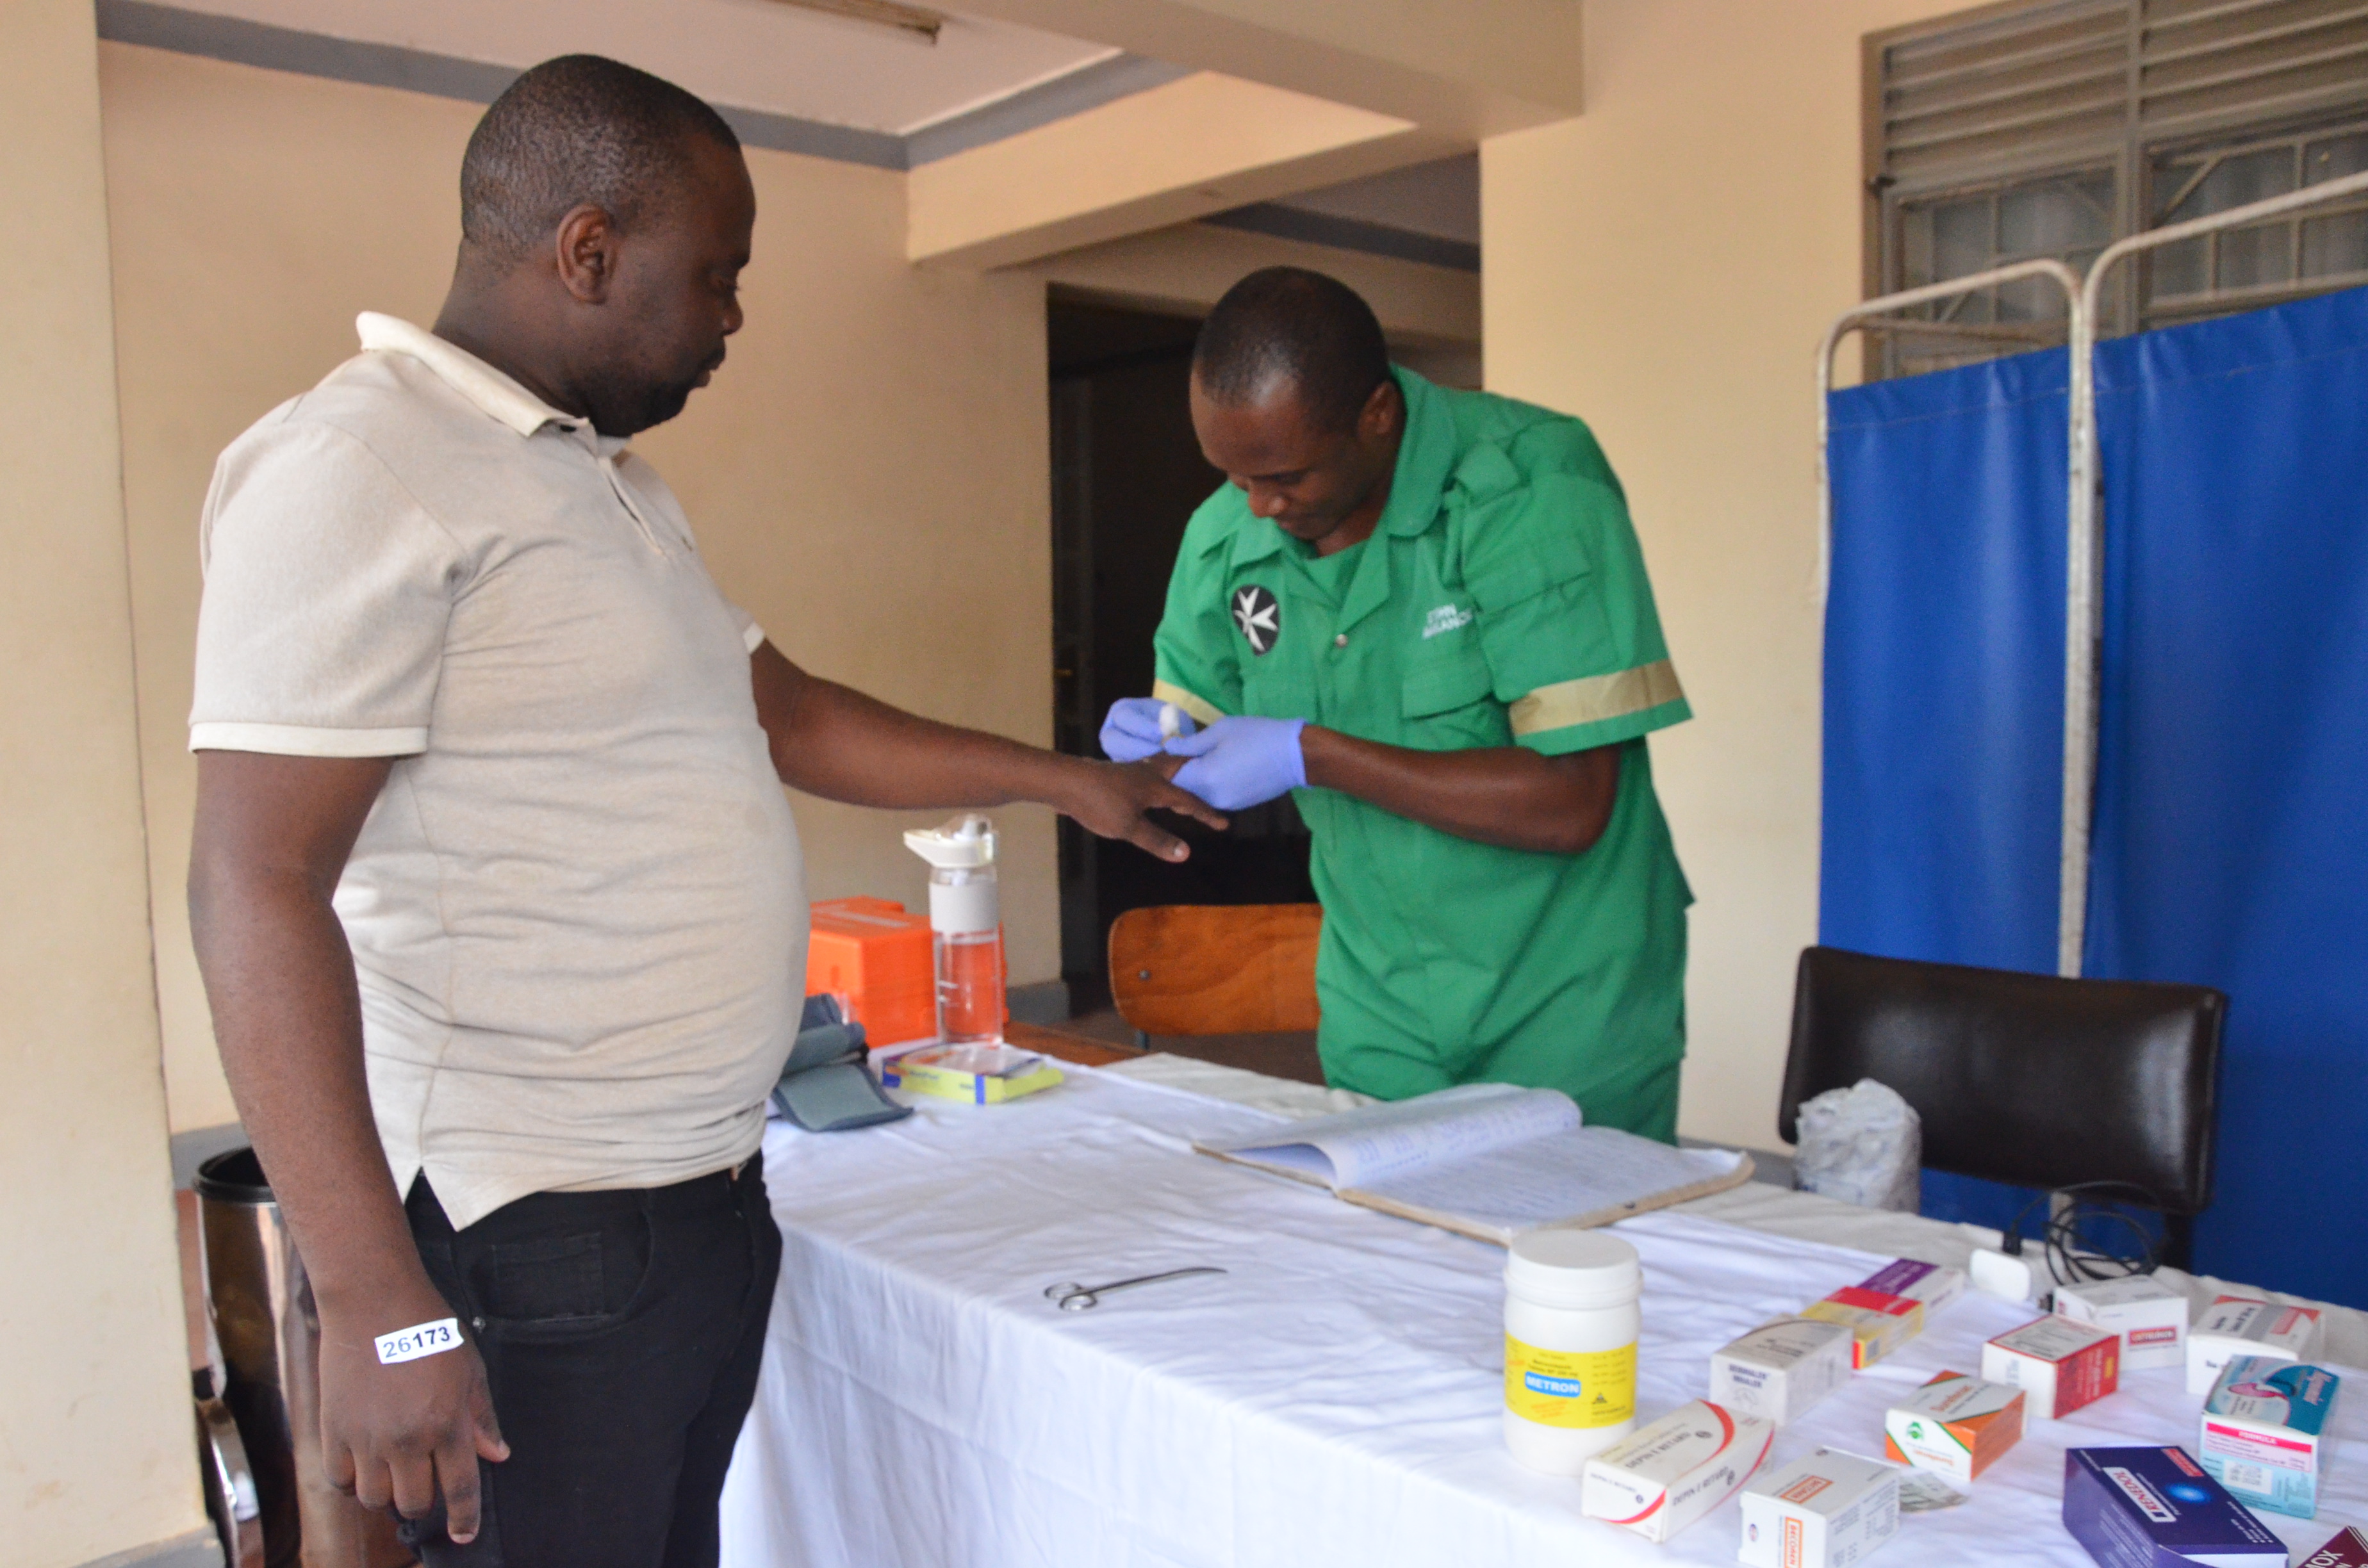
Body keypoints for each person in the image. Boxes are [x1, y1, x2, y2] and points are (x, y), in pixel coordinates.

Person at [185, 56, 1219, 1568]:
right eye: (717, 277)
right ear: (588, 250)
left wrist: (1068, 781)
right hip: (537, 1227)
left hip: (706, 1197)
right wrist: (373, 1299)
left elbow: (784, 711)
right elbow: (253, 884)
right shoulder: (355, 466)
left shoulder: (606, 484)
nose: (733, 318)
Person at [1101, 266, 1692, 1139]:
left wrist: (1315, 753)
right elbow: (1191, 752)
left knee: (1568, 1264)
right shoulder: (1231, 532)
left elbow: (1572, 805)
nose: (1262, 506)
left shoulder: (1530, 488)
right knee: (1387, 1259)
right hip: (1383, 1008)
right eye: (1234, 479)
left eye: (1287, 476)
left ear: (1377, 416)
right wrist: (1164, 750)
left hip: (1566, 1003)